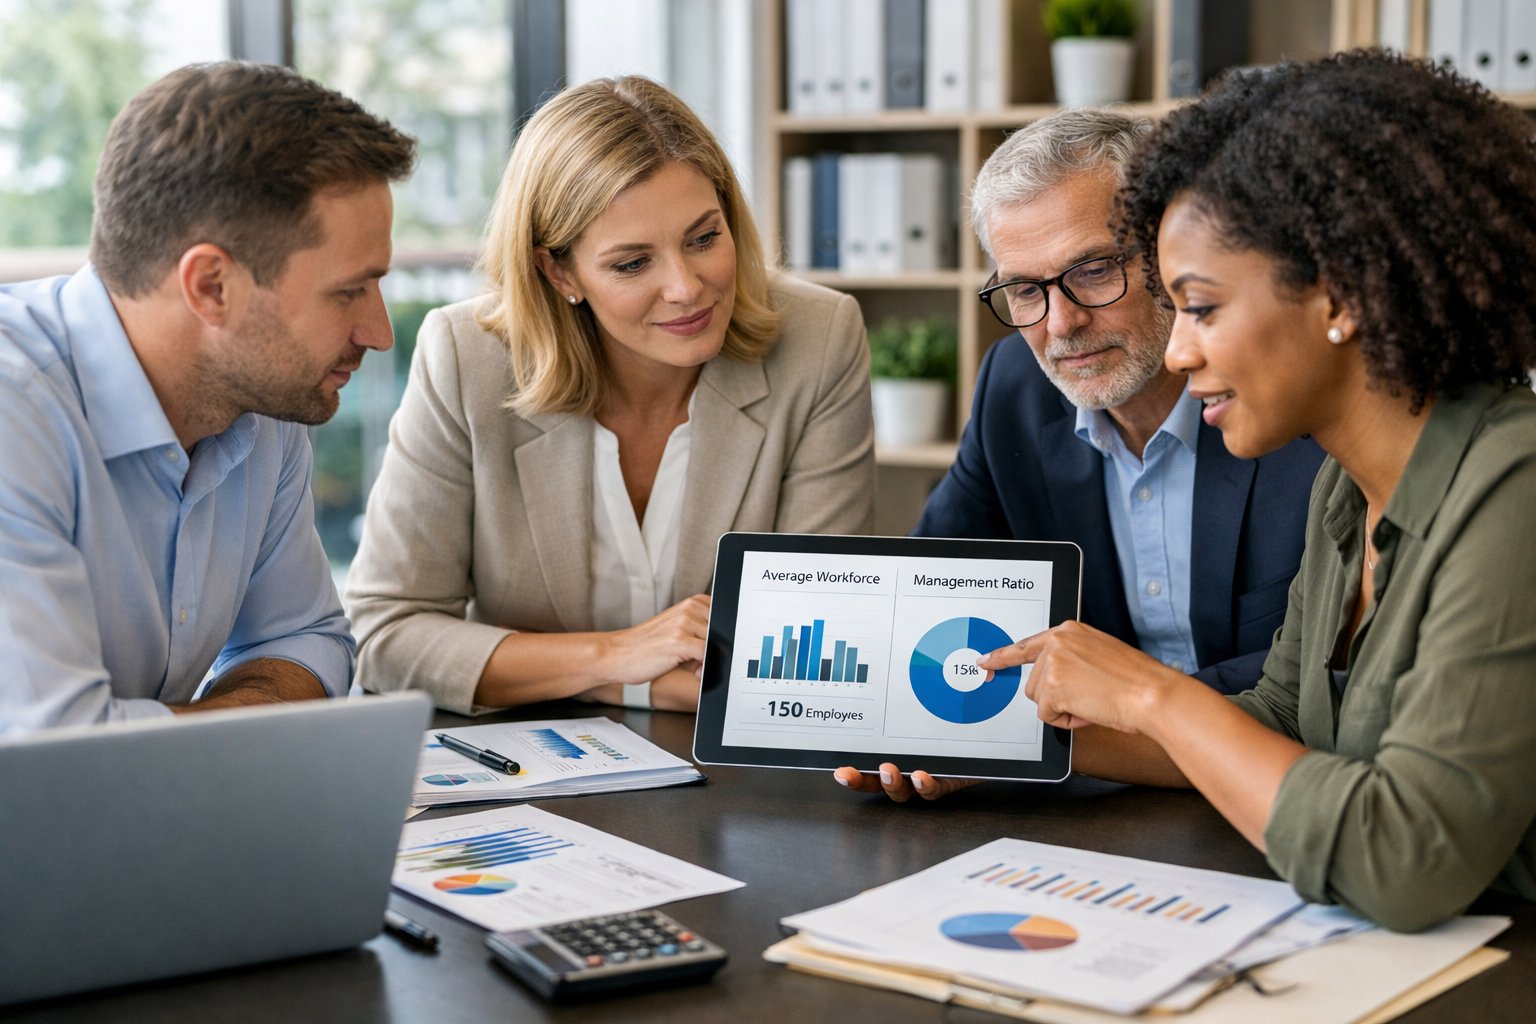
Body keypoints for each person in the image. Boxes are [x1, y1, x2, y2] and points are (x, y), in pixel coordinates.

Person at [984, 52, 1536, 931]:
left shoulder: (1515, 488)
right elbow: (1283, 720)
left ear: (1342, 294)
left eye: (1200, 307)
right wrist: (1006, 747)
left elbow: (1405, 864)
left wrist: (1150, 694)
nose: (1176, 351)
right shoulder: (1348, 495)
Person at [345, 76, 875, 715]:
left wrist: (581, 674)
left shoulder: (819, 339)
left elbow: (814, 652)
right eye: (632, 264)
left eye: (705, 238)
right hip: (534, 773)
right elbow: (385, 633)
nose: (687, 287)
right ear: (559, 271)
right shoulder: (468, 358)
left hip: (739, 778)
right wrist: (614, 656)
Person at [837, 109, 1321, 799]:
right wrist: (939, 729)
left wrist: (1068, 734)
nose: (1061, 325)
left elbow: (1317, 684)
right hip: (1087, 803)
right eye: (1026, 291)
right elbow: (926, 594)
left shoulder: (1287, 399)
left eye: (1092, 271)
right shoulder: (1014, 383)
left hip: (1269, 795)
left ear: (1171, 253)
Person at [0, 62, 417, 734]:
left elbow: (306, 640)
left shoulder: (261, 397)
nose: (378, 333)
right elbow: (54, 748)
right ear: (212, 287)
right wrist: (246, 724)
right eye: (348, 292)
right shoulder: (14, 412)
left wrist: (172, 732)